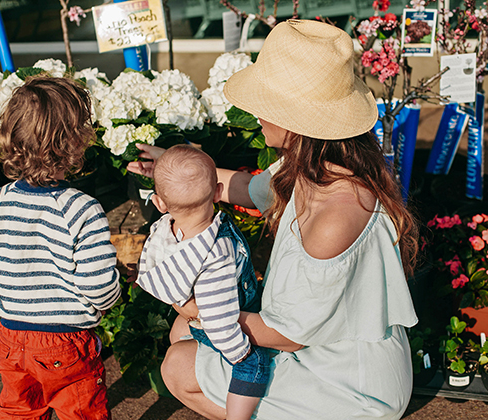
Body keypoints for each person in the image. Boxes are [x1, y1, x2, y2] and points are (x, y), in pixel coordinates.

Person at [128, 19, 419, 420]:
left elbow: (287, 334)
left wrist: (193, 307)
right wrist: (176, 170)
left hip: (350, 386)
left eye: (268, 101)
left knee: (177, 365)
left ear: (300, 120)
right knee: (182, 341)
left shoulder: (334, 216)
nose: (256, 111)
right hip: (333, 354)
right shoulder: (316, 168)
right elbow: (247, 189)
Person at [0, 76, 121, 420]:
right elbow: (97, 285)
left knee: (19, 409)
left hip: (11, 335)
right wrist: (107, 301)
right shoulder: (81, 209)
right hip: (65, 341)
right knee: (80, 409)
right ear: (74, 143)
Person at [135, 144, 269, 420]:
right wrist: (240, 351)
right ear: (219, 193)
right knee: (254, 366)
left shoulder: (162, 232)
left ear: (159, 203)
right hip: (220, 329)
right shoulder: (216, 252)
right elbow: (219, 320)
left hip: (195, 323)